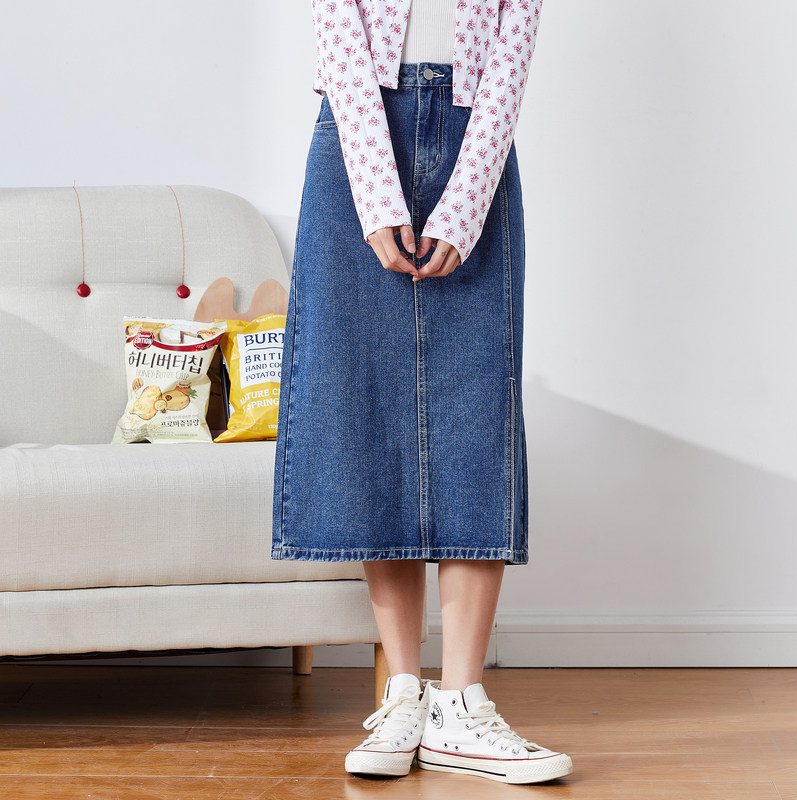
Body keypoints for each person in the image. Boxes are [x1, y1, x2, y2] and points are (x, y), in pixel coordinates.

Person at [272, 0, 573, 785]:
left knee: (475, 408)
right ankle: (404, 694)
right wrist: (377, 195)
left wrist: (466, 202)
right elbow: (339, 33)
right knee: (369, 407)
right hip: (355, 137)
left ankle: (463, 704)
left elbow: (511, 52)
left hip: (477, 140)